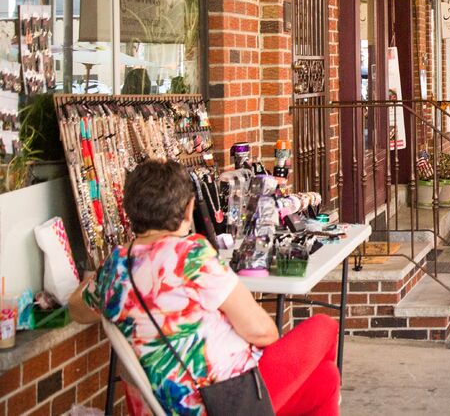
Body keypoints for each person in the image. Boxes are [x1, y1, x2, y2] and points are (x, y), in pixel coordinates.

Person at [69, 160, 340, 416]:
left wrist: (92, 279)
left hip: (174, 402)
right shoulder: (191, 255)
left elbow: (77, 310)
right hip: (223, 400)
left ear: (129, 210)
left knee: (327, 379)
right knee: (324, 326)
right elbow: (263, 332)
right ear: (188, 209)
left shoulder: (115, 267)